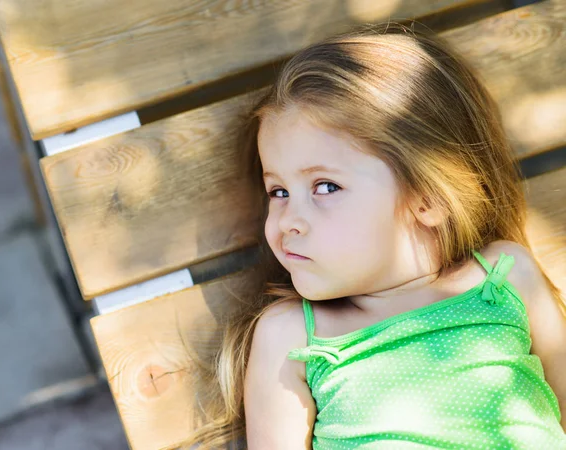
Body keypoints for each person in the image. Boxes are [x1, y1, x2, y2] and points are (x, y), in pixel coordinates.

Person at [175, 22, 566, 449]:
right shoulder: (293, 337)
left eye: (325, 187)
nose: (288, 219)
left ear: (428, 197)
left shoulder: (504, 277)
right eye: (279, 191)